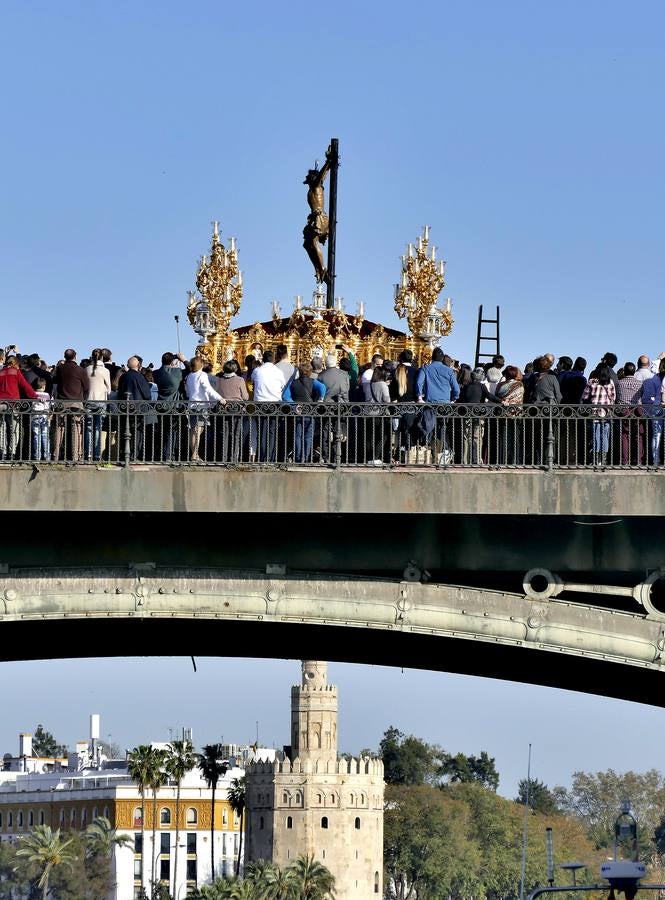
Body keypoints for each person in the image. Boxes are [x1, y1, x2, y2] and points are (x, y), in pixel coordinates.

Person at [185, 357, 225, 462]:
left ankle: (195, 454)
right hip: (201, 406)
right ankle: (194, 455)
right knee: (198, 431)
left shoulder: (189, 376)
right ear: (201, 365)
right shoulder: (202, 375)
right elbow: (208, 389)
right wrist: (220, 398)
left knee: (193, 431)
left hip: (192, 405)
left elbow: (188, 391)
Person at [53, 349, 90, 462]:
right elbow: (87, 387)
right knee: (76, 428)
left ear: (65, 357)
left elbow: (56, 381)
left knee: (60, 429)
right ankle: (76, 455)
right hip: (76, 402)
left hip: (62, 401)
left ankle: (55, 455)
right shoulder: (80, 370)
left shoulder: (60, 368)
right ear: (75, 357)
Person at [458, 367, 500, 464]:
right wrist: (501, 401)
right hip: (478, 415)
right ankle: (476, 460)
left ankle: (465, 461)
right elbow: (490, 396)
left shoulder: (466, 386)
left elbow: (461, 399)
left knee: (466, 438)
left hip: (467, 414)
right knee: (477, 438)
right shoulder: (481, 386)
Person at [286, 362, 326, 462]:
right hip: (310, 410)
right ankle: (307, 457)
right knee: (308, 436)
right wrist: (320, 399)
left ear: (299, 372)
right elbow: (323, 388)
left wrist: (294, 405)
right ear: (310, 372)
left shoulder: (293, 383)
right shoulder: (313, 382)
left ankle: (298, 457)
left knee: (298, 435)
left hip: (298, 412)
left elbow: (285, 396)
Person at [0, 354, 38, 460]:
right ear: (16, 363)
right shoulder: (16, 372)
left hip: (1, 403)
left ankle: (2, 452)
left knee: (2, 428)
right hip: (12, 404)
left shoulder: (1, 372)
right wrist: (35, 396)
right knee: (13, 429)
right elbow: (25, 385)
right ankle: (11, 453)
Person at [581, 363, 616, 465]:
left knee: (596, 436)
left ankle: (596, 460)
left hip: (594, 413)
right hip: (606, 413)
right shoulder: (610, 382)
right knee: (604, 436)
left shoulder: (591, 382)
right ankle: (603, 460)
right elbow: (613, 398)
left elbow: (585, 397)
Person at [84, 348, 111, 461]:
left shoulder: (86, 369)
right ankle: (96, 454)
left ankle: (88, 454)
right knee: (97, 429)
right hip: (100, 402)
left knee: (88, 428)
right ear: (102, 357)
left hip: (88, 400)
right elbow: (109, 390)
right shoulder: (105, 371)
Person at [617, 362, 644, 465]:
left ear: (624, 370)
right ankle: (639, 461)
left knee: (625, 436)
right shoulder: (640, 383)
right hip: (637, 410)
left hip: (624, 411)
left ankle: (625, 461)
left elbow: (618, 398)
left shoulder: (619, 383)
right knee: (639, 436)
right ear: (634, 371)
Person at [366, 365, 391, 465]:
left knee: (370, 437)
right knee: (382, 436)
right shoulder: (382, 384)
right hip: (379, 414)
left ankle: (368, 458)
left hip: (368, 413)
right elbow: (387, 399)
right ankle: (376, 457)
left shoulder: (369, 385)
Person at [31, 377, 51, 461]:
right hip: (44, 416)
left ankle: (37, 456)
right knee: (45, 435)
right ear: (43, 386)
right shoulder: (46, 395)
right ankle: (46, 456)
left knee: (36, 436)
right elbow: (49, 405)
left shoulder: (33, 394)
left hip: (35, 415)